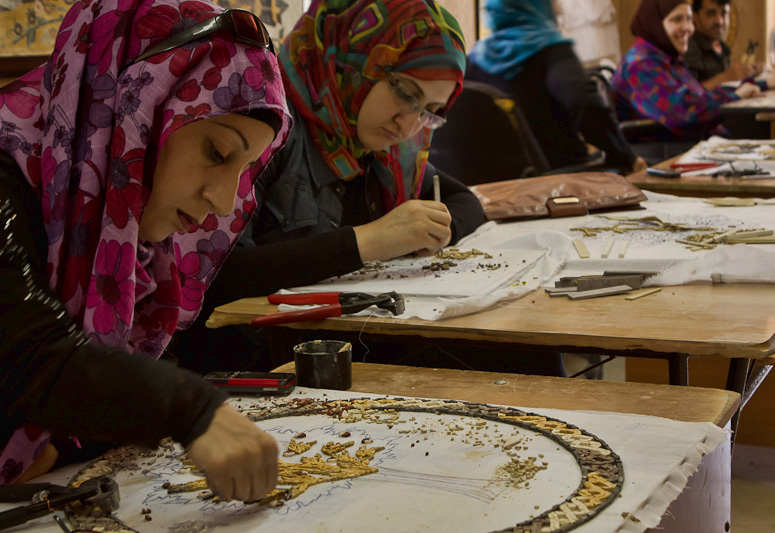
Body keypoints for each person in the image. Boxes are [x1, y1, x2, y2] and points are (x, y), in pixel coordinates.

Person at [0, 0, 292, 500]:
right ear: (134, 110)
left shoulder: (124, 248)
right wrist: (189, 409)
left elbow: (70, 411)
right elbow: (26, 354)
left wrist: (64, 446)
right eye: (216, 153)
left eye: (243, 171)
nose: (224, 201)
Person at [171, 0, 487, 375]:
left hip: (346, 353)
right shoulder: (267, 123)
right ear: (355, 57)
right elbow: (212, 275)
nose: (409, 124)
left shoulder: (379, 146)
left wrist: (427, 232)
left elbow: (465, 201)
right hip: (252, 371)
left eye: (430, 111)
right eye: (406, 92)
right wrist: (368, 242)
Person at [465, 0, 646, 174]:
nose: (558, 9)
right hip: (559, 182)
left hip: (495, 184)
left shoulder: (474, 59)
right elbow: (585, 102)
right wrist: (625, 156)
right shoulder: (552, 51)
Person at [611, 0, 770, 143]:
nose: (688, 28)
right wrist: (737, 95)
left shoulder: (668, 58)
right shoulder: (640, 65)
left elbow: (699, 96)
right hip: (663, 157)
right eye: (677, 19)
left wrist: (761, 85)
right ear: (654, 23)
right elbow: (684, 113)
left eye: (688, 19)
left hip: (688, 147)